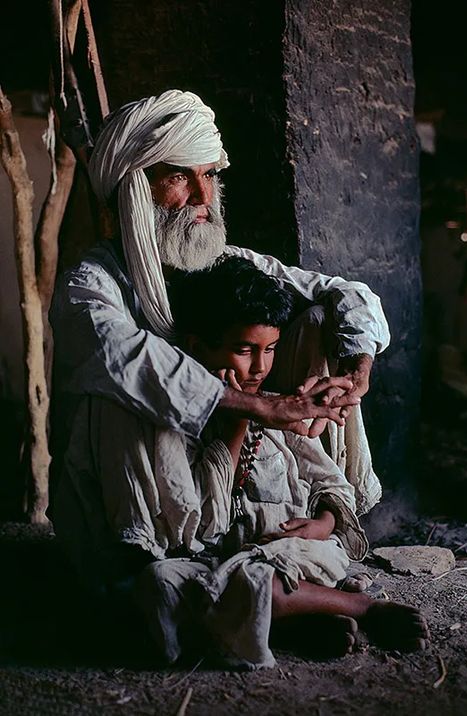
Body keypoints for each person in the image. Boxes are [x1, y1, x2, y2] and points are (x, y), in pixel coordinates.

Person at [48, 89, 388, 612]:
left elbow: (344, 292)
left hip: (238, 463)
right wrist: (262, 408)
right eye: (182, 176)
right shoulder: (91, 285)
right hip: (153, 488)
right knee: (117, 387)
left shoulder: (223, 260)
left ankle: (292, 533)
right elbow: (122, 353)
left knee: (327, 319)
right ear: (137, 187)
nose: (204, 197)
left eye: (211, 175)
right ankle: (163, 562)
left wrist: (356, 368)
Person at [118, 256, 426, 669]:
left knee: (262, 578)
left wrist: (323, 524)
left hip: (293, 554)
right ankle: (295, 622)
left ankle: (363, 608)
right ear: (196, 347)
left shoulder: (281, 413)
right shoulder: (183, 427)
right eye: (245, 350)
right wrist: (240, 421)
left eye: (271, 350)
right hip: (218, 563)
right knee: (162, 584)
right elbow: (206, 523)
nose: (260, 367)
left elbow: (330, 484)